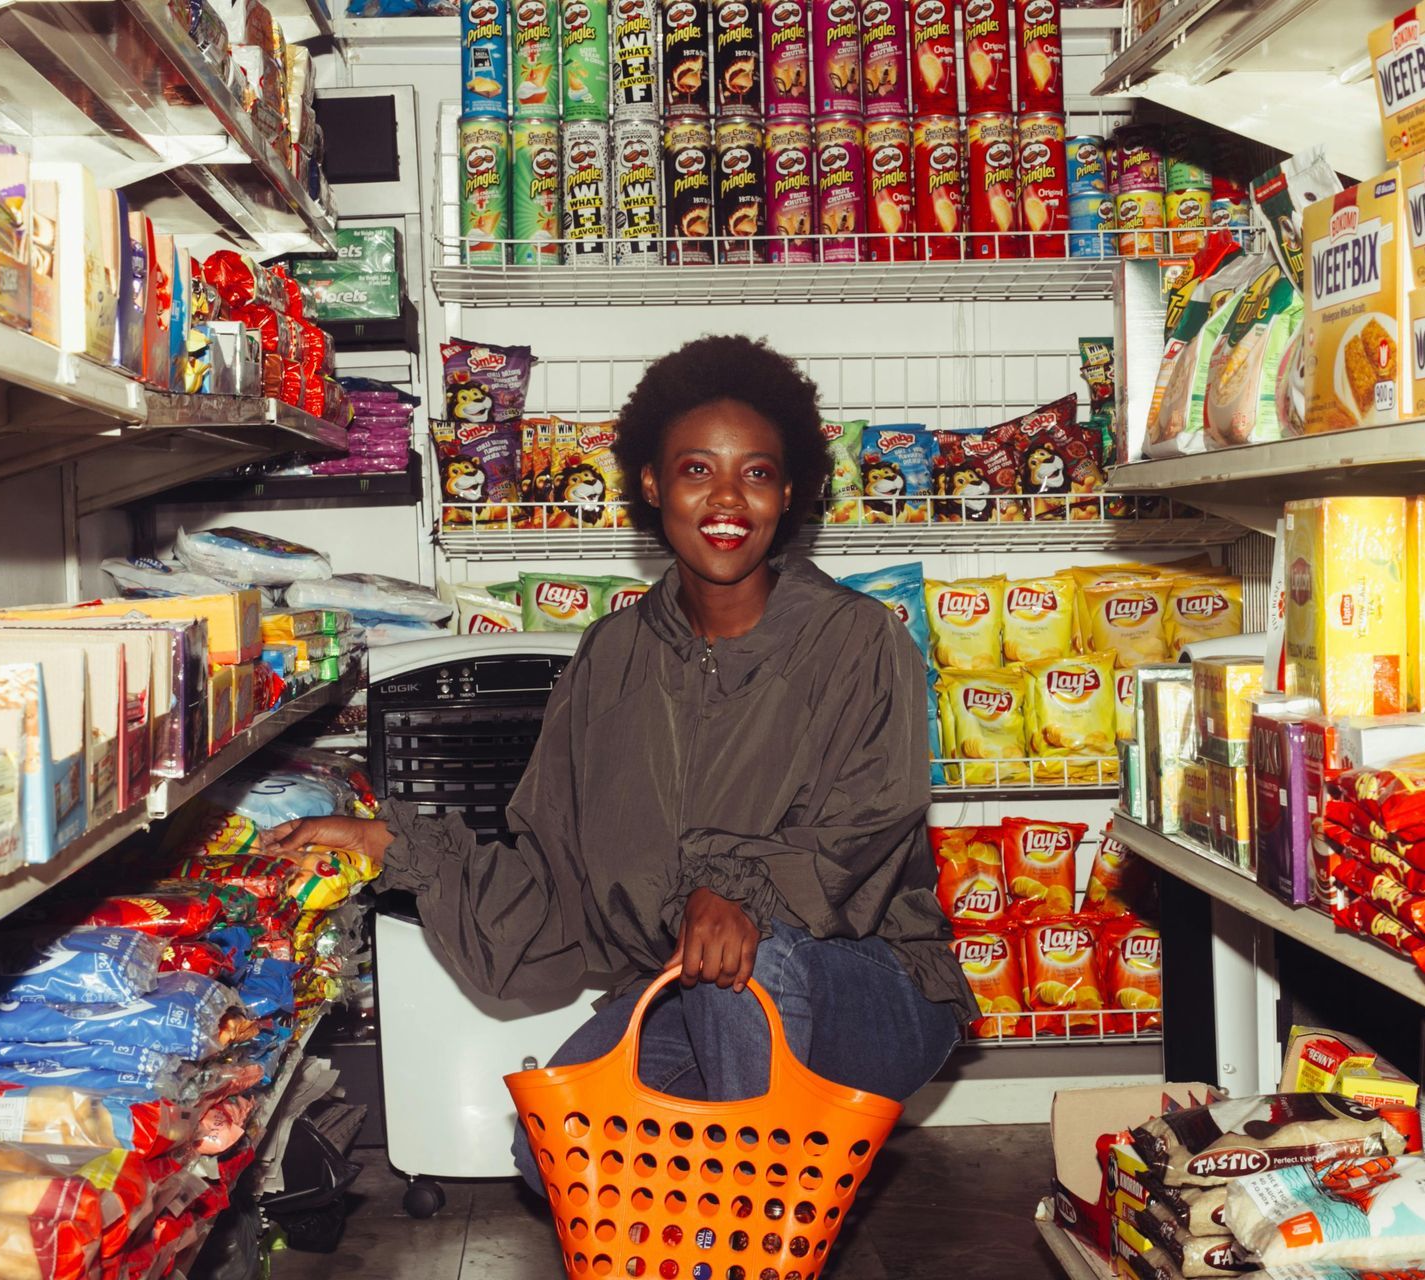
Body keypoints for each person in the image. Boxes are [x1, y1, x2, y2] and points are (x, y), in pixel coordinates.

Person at [266, 334, 972, 1186]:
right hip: (691, 989)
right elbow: (552, 869)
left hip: (874, 989)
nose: (727, 499)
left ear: (788, 492)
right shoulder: (609, 660)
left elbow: (864, 828)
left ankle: (746, 1236)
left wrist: (736, 891)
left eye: (755, 473)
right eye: (696, 470)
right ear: (651, 483)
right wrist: (386, 844)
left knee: (745, 963)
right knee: (555, 1154)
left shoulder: (859, 641)